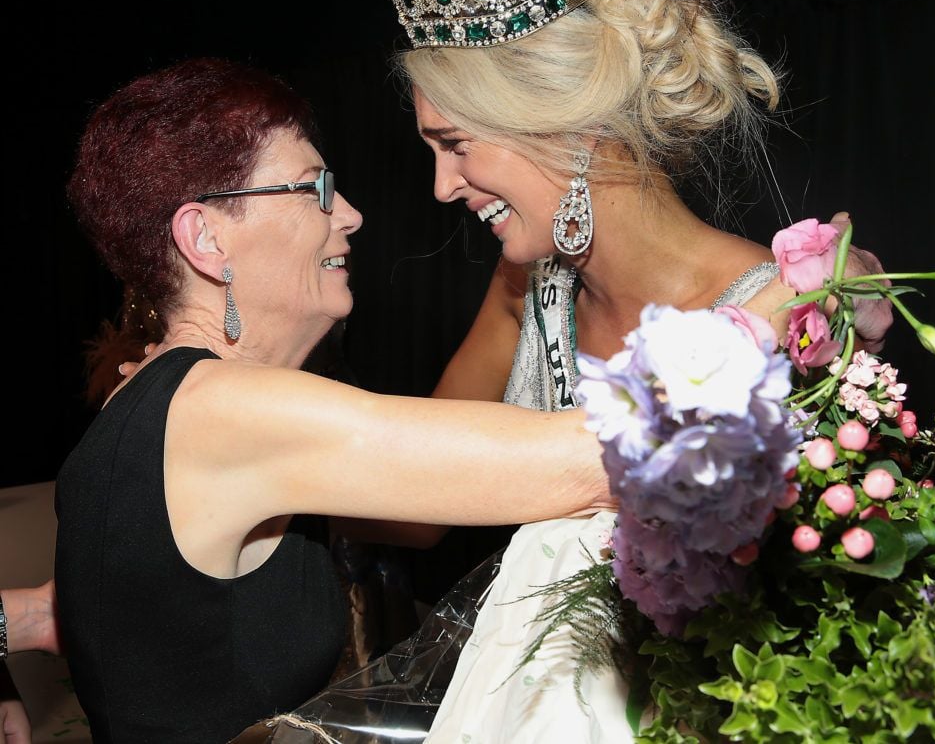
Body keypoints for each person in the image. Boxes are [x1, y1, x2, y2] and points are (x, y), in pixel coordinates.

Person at [365, 0, 892, 741]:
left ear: (569, 130)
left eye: (455, 144)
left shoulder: (798, 305)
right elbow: (416, 508)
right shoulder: (525, 288)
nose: (442, 186)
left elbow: (828, 593)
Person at [53, 57, 614, 744]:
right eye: (315, 188)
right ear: (206, 237)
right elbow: (588, 460)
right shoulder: (223, 411)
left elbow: (419, 515)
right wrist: (774, 299)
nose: (349, 214)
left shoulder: (159, 401)